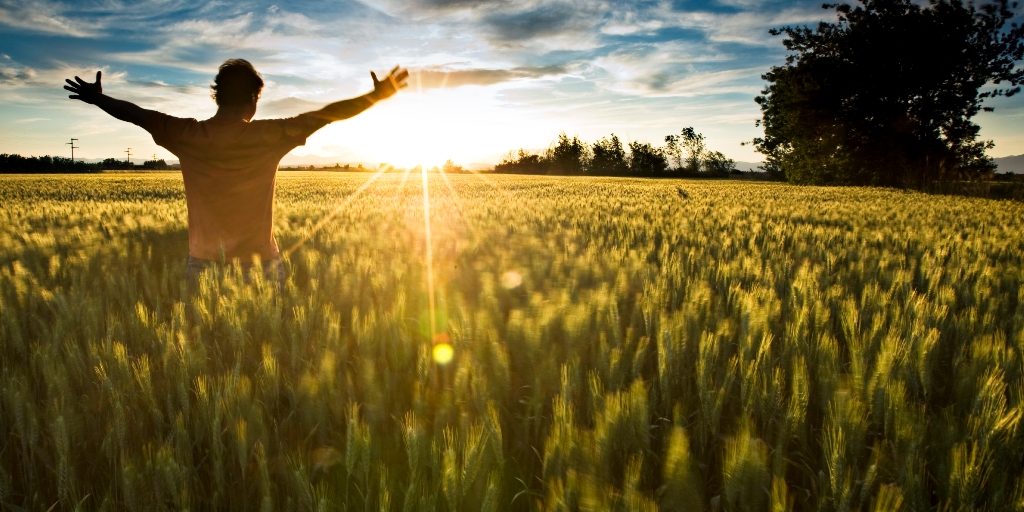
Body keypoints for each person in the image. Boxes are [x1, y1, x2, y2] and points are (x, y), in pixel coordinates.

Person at [63, 59, 408, 287]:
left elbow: (139, 114)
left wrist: (99, 100)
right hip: (263, 267)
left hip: (202, 267)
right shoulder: (269, 136)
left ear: (216, 96)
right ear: (254, 99)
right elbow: (327, 114)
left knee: (204, 364)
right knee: (269, 356)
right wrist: (375, 97)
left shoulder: (187, 135)